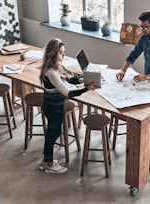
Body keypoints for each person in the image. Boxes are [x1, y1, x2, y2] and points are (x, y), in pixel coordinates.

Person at [39, 38, 95, 174]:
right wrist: (87, 88)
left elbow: (69, 78)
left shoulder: (57, 67)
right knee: (53, 133)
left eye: (64, 52)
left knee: (52, 133)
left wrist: (82, 79)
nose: (63, 56)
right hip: (53, 107)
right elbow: (67, 93)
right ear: (53, 54)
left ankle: (46, 160)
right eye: (61, 53)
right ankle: (49, 163)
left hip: (54, 105)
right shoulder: (51, 72)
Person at [116, 11, 150, 86]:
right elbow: (134, 53)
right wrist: (123, 70)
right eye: (141, 27)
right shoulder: (144, 37)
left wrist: (146, 77)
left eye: (146, 27)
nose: (142, 29)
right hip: (148, 79)